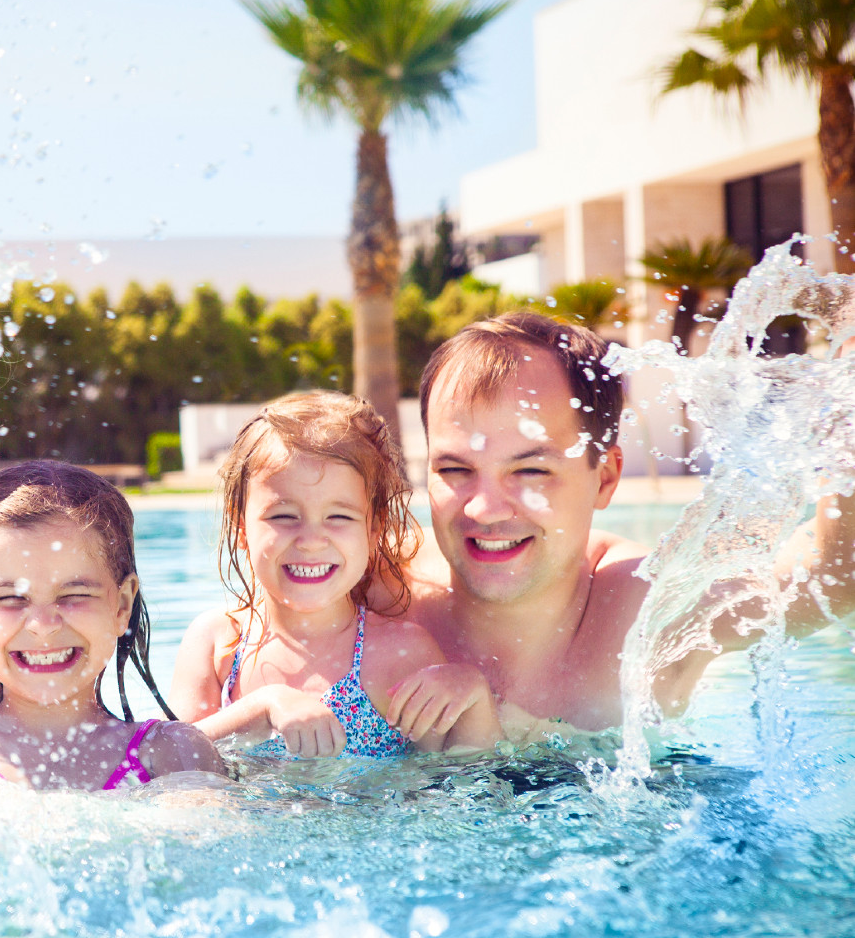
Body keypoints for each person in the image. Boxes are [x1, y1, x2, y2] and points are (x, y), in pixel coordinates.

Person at [396, 310, 855, 739]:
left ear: (606, 478)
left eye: (530, 470)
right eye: (454, 470)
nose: (484, 510)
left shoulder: (647, 614)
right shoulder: (384, 604)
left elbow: (832, 576)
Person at [168, 391, 502, 759]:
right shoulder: (220, 644)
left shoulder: (398, 652)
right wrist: (262, 707)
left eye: (339, 517)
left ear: (374, 529)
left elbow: (463, 779)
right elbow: (168, 757)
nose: (311, 541)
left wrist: (474, 697)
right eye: (283, 516)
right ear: (241, 527)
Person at [0, 461, 223, 790]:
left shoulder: (171, 753)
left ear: (122, 605)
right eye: (11, 599)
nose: (43, 625)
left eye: (74, 594)